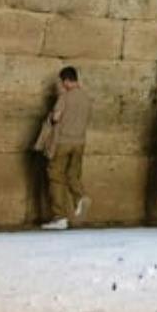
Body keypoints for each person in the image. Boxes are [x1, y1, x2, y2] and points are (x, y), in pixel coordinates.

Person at [40, 66, 92, 230]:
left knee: (55, 176)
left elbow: (56, 117)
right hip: (80, 142)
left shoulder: (65, 97)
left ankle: (59, 217)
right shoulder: (86, 98)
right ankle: (81, 197)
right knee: (73, 174)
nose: (62, 85)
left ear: (66, 81)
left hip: (62, 142)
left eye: (62, 82)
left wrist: (50, 117)